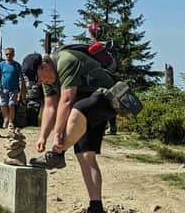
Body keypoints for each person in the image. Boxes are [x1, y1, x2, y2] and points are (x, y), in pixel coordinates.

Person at [23, 50, 117, 213]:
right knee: (85, 155)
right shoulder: (47, 77)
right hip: (86, 105)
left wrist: (58, 136)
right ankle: (96, 206)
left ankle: (57, 155)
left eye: (39, 78)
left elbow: (66, 100)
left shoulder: (66, 61)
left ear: (44, 66)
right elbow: (50, 106)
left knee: (75, 112)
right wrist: (43, 137)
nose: (40, 83)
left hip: (104, 96)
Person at [87, 21, 117, 135]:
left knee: (97, 101)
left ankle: (98, 126)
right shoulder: (107, 45)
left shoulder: (92, 46)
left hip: (97, 77)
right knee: (110, 100)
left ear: (90, 32)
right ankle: (112, 127)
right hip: (110, 75)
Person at [0, 47, 25, 129]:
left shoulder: (17, 65)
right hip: (3, 87)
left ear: (13, 55)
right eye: (7, 54)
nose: (8, 56)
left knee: (11, 105)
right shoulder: (1, 64)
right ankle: (6, 118)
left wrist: (21, 91)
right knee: (3, 105)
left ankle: (11, 122)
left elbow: (21, 78)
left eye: (10, 54)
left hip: (14, 88)